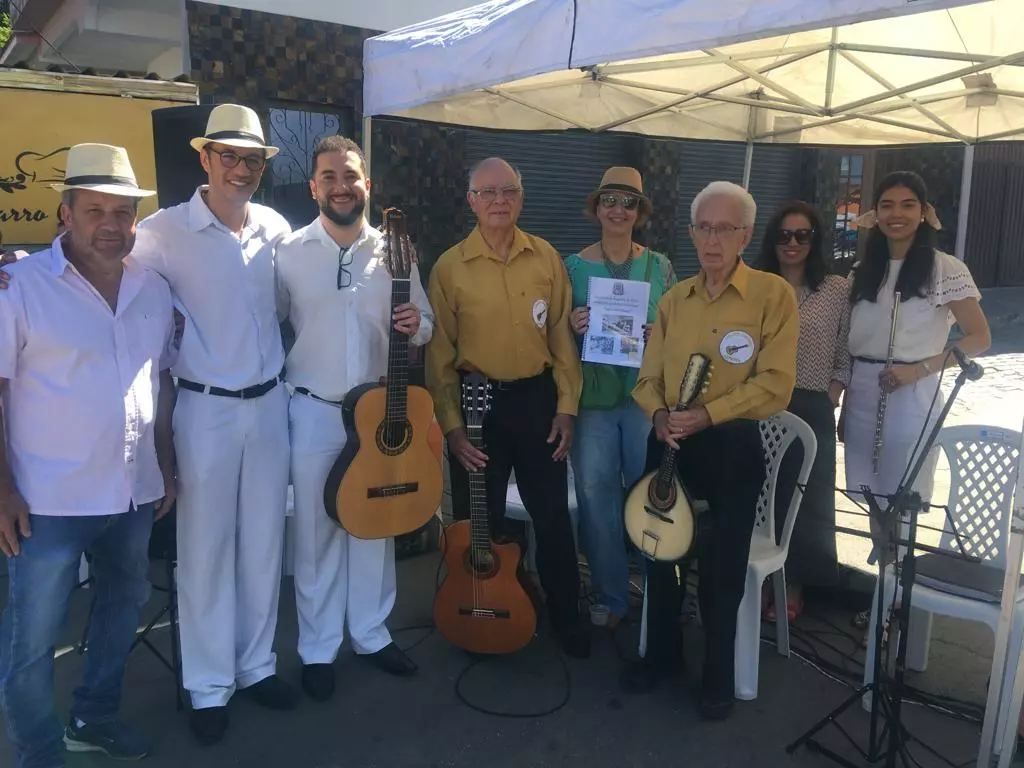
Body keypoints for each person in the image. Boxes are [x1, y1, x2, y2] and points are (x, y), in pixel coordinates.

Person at [0, 143, 178, 768]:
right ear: (64, 214)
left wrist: (166, 467)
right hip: (46, 501)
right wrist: (1, 491)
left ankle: (94, 718)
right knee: (31, 639)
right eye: (95, 210)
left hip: (131, 492)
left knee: (119, 611)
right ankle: (40, 752)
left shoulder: (151, 288)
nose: (111, 224)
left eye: (123, 212)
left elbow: (157, 382)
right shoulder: (19, 288)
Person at [130, 104, 296, 743]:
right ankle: (208, 685)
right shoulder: (163, 231)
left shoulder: (276, 227)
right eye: (229, 155)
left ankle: (255, 667)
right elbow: (106, 273)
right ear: (204, 158)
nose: (242, 169)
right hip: (203, 408)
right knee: (204, 550)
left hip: (271, 404)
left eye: (252, 159)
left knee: (263, 542)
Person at [626, 181, 799, 720]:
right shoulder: (675, 300)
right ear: (691, 233)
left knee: (723, 568)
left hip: (730, 445)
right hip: (671, 442)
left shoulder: (772, 296)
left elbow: (776, 384)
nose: (713, 239)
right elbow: (646, 376)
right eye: (704, 227)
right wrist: (658, 414)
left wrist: (708, 413)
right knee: (658, 552)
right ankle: (662, 656)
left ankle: (717, 673)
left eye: (725, 228)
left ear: (746, 235)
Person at [276, 135, 433, 701]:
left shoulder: (397, 252)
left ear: (367, 183)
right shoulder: (287, 252)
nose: (341, 186)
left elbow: (428, 323)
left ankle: (370, 633)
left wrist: (419, 324)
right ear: (314, 185)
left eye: (351, 175)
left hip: (379, 412)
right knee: (316, 534)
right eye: (329, 176)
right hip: (313, 411)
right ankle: (318, 649)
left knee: (375, 525)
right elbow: (265, 323)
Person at [426, 157, 589, 658]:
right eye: (488, 191)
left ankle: (566, 617)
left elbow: (561, 337)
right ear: (471, 200)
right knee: (485, 521)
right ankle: (491, 607)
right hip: (478, 410)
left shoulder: (546, 259)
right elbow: (439, 357)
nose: (499, 200)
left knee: (552, 520)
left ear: (521, 197)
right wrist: (452, 428)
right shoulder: (450, 267)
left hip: (538, 402)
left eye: (509, 191)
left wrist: (567, 406)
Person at [841, 171, 991, 631]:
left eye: (907, 205)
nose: (896, 214)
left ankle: (899, 604)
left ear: (923, 213)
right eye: (887, 205)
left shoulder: (946, 268)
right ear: (876, 213)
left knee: (901, 497)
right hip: (863, 387)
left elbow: (980, 337)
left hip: (912, 389)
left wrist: (918, 369)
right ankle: (887, 591)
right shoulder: (860, 270)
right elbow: (851, 340)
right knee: (869, 495)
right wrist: (845, 398)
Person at [565, 167, 676, 627]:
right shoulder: (571, 266)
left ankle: (658, 599)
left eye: (628, 202)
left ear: (639, 212)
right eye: (609, 200)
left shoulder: (660, 266)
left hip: (644, 400)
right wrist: (572, 326)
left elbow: (678, 329)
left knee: (650, 498)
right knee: (597, 500)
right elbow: (554, 336)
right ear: (596, 208)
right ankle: (613, 598)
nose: (618, 210)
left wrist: (660, 333)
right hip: (591, 401)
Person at [754, 200, 850, 621]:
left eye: (802, 235)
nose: (792, 243)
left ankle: (794, 584)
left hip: (812, 402)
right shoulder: (756, 285)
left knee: (807, 499)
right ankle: (759, 580)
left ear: (815, 239)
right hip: (759, 402)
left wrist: (831, 394)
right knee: (762, 492)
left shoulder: (837, 289)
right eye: (783, 235)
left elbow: (847, 349)